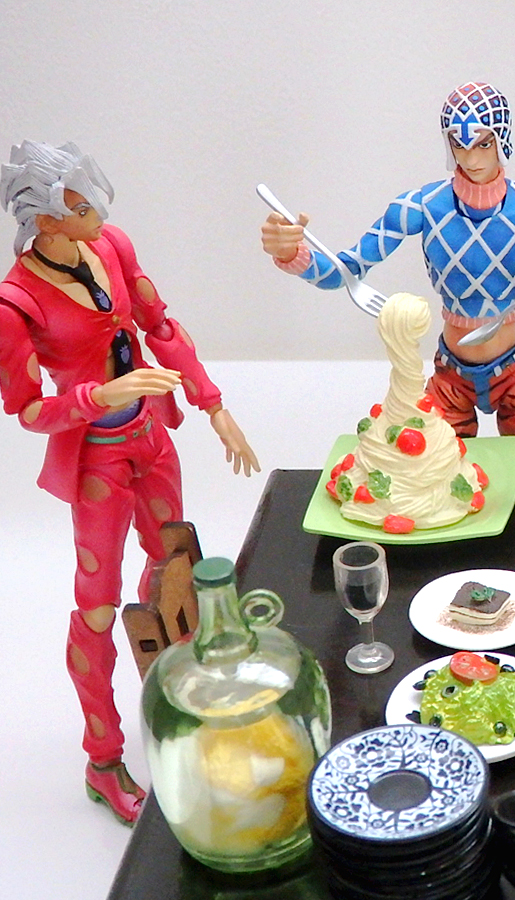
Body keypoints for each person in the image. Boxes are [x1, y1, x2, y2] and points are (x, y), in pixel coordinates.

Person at [0, 141, 259, 824]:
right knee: (97, 607)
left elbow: (160, 324)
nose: (97, 216)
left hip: (152, 438)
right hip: (99, 462)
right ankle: (104, 758)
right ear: (46, 219)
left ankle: (187, 707)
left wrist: (213, 404)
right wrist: (101, 393)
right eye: (80, 207)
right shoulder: (15, 303)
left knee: (174, 569)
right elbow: (27, 410)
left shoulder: (111, 246)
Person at [261, 81, 515, 438]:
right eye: (460, 145)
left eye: (483, 144)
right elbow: (343, 273)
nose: (471, 159)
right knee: (435, 465)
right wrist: (292, 253)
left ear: (502, 140)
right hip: (450, 376)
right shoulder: (420, 206)